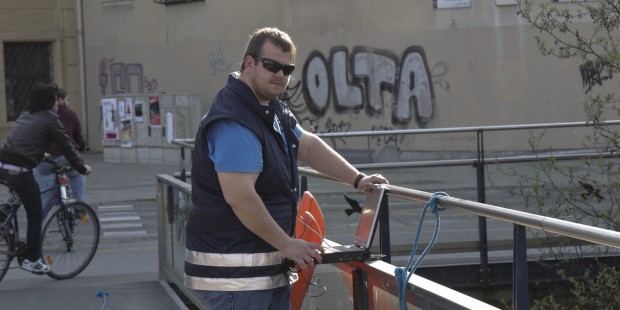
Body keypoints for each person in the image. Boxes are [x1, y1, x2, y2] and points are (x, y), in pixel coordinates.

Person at [184, 27, 388, 309]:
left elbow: (308, 146)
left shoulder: (271, 109)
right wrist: (287, 244)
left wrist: (357, 179)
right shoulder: (235, 120)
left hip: (263, 273)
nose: (280, 74)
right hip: (236, 280)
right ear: (249, 64)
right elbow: (240, 197)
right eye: (271, 66)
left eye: (287, 68)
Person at [0, 83, 91, 274]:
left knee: (14, 203)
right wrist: (82, 168)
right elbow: (67, 147)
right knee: (36, 214)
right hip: (20, 170)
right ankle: (32, 259)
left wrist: (42, 156)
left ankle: (3, 222)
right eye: (55, 100)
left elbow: (23, 142)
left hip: (3, 165)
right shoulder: (51, 119)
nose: (58, 104)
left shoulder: (26, 115)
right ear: (50, 102)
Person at [34, 88, 87, 205]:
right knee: (77, 172)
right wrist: (82, 147)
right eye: (67, 100)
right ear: (59, 100)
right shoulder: (69, 114)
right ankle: (79, 205)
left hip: (45, 159)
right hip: (65, 157)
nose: (68, 103)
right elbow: (75, 138)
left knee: (42, 178)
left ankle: (46, 206)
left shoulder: (36, 115)